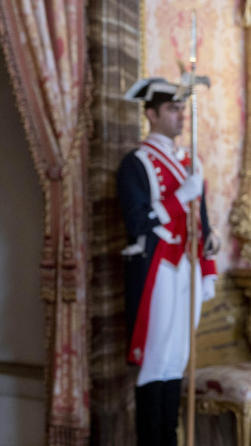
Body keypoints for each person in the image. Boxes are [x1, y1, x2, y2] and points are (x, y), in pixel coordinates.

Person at [116, 77, 218, 446]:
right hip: (156, 268)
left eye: (180, 108)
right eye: (172, 109)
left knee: (177, 360)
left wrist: (209, 270)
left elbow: (201, 224)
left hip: (187, 268)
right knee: (155, 360)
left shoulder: (190, 161)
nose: (180, 116)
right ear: (151, 114)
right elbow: (137, 222)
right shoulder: (136, 163)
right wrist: (180, 196)